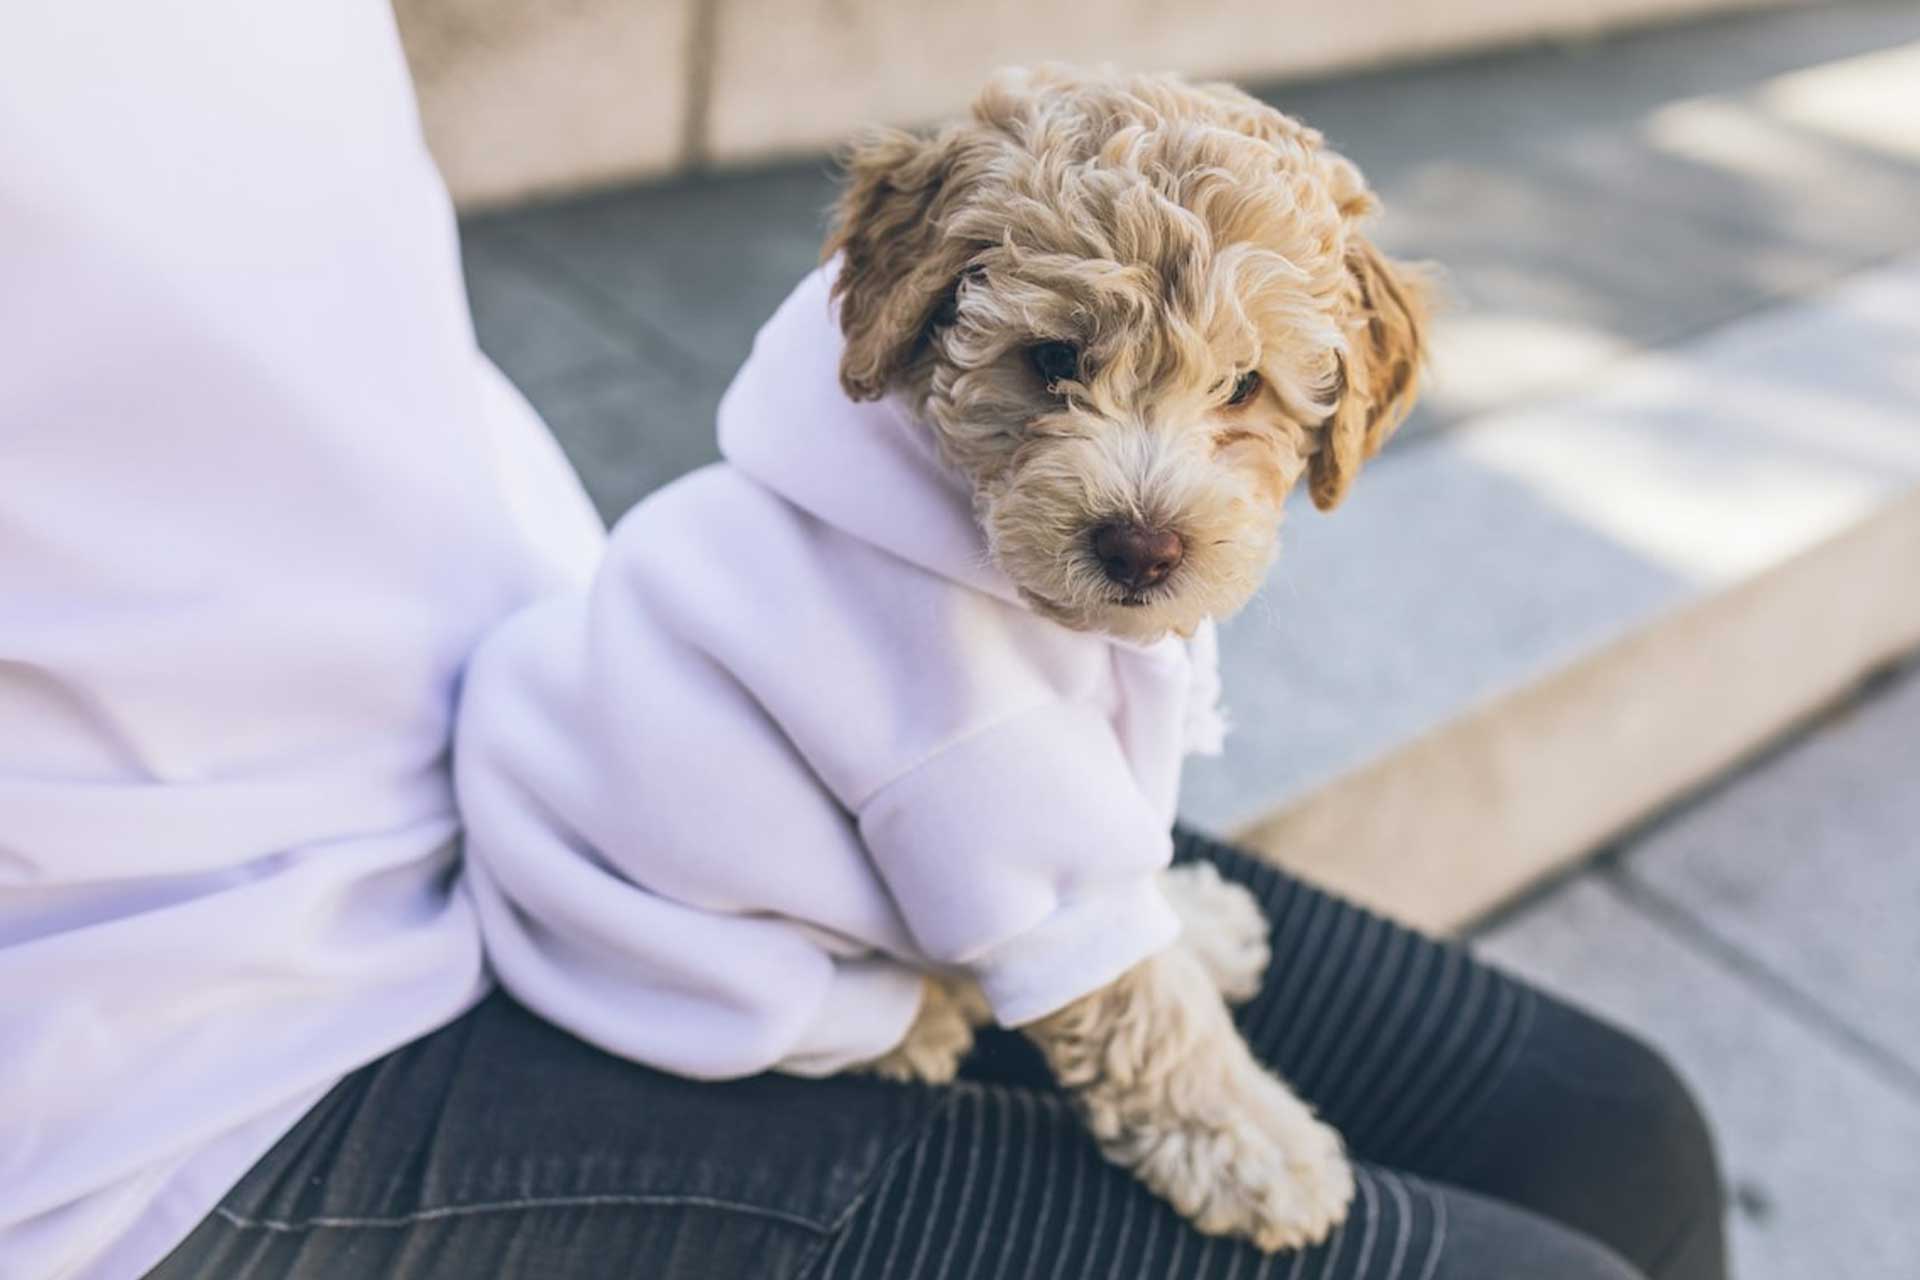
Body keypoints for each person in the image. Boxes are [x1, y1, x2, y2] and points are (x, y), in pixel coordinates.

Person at [0, 4, 1727, 1278]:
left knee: (1613, 1123)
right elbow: (1030, 879)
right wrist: (1178, 1069)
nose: (1150, 491)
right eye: (1058, 365)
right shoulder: (908, 627)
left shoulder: (910, 570)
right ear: (911, 299)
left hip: (564, 719)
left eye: (1246, 399)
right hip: (222, 1037)